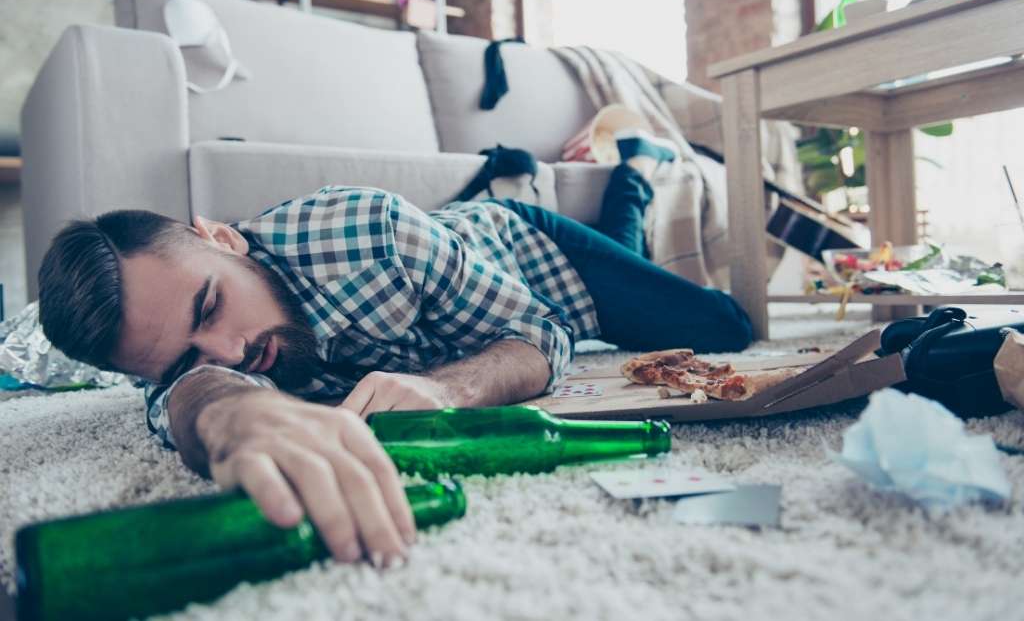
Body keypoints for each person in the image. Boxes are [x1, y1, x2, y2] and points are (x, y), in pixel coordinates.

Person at [37, 132, 752, 568]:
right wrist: (233, 418)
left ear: (222, 238)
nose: (231, 350)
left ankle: (631, 174)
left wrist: (450, 390)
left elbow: (543, 332)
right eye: (186, 359)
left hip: (532, 254)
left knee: (722, 328)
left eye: (212, 305)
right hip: (480, 281)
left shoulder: (367, 228)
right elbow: (193, 401)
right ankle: (619, 233)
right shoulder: (159, 343)